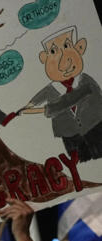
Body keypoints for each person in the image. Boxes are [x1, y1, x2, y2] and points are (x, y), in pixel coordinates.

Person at [22, 26, 102, 162]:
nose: (63, 63)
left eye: (66, 46)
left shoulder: (86, 81)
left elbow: (66, 101)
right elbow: (37, 98)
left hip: (95, 127)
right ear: (44, 58)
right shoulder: (51, 89)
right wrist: (26, 108)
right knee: (81, 164)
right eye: (53, 51)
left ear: (79, 48)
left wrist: (43, 110)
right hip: (70, 135)